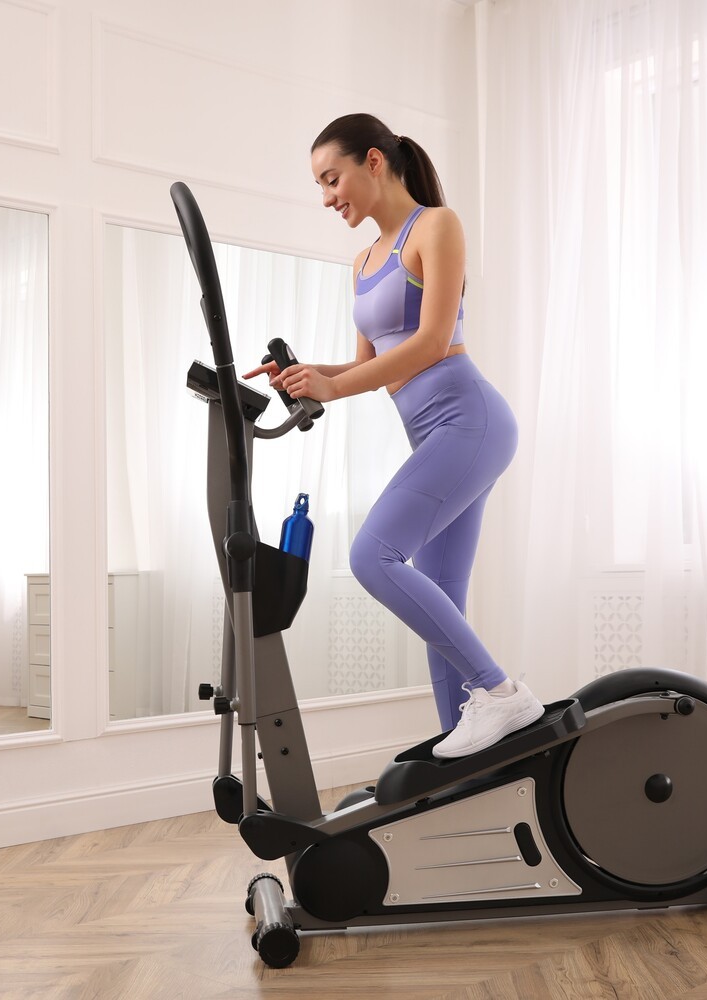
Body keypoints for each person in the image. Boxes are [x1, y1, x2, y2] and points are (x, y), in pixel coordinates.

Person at [244, 114, 542, 758]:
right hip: (434, 436)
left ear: (373, 161)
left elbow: (432, 342)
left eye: (332, 179)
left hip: (471, 422)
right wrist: (307, 375)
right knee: (444, 603)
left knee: (371, 557)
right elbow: (368, 364)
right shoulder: (363, 261)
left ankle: (501, 693)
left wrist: (332, 387)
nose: (327, 197)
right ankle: (460, 765)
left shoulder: (436, 225)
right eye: (320, 186)